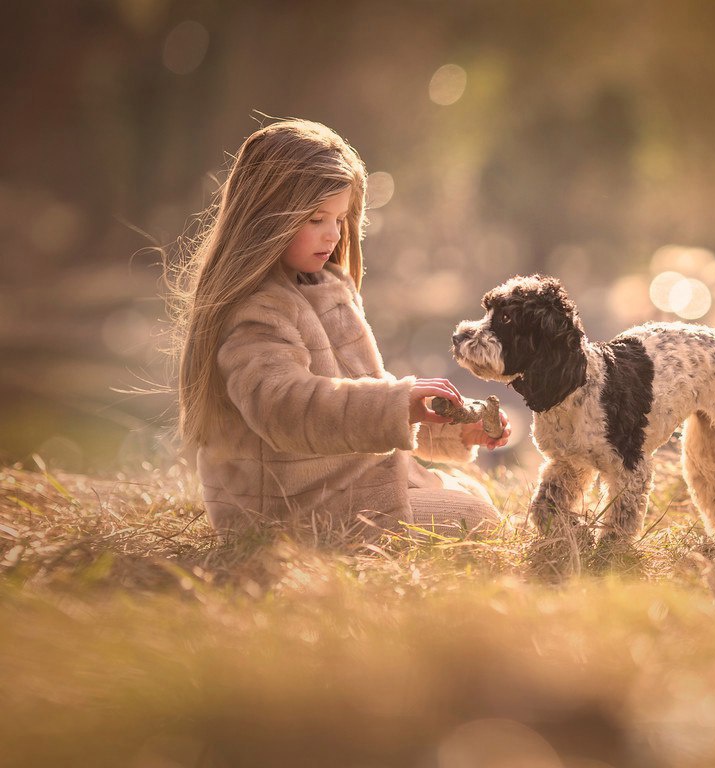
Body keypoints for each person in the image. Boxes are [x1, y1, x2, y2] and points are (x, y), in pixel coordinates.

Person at [173, 119, 510, 541]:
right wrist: (399, 402)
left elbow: (354, 412)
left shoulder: (328, 286)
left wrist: (452, 423)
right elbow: (287, 409)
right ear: (267, 217)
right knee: (476, 518)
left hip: (343, 486)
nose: (333, 235)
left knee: (473, 497)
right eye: (316, 219)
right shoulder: (257, 311)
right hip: (291, 509)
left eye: (340, 217)